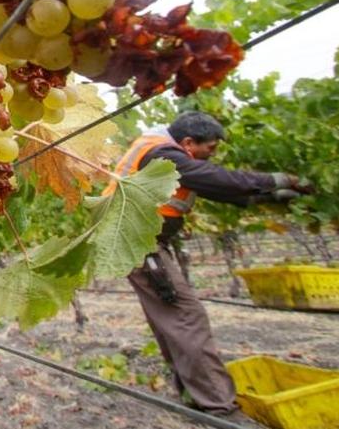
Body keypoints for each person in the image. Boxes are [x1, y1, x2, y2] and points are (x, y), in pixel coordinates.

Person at [112, 111, 314, 421]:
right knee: (186, 318)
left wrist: (273, 197)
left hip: (139, 245)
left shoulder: (166, 155)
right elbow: (218, 179)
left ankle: (195, 398)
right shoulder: (163, 153)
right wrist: (281, 180)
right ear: (189, 143)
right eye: (211, 149)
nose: (212, 156)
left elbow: (223, 191)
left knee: (174, 321)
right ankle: (221, 409)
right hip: (139, 247)